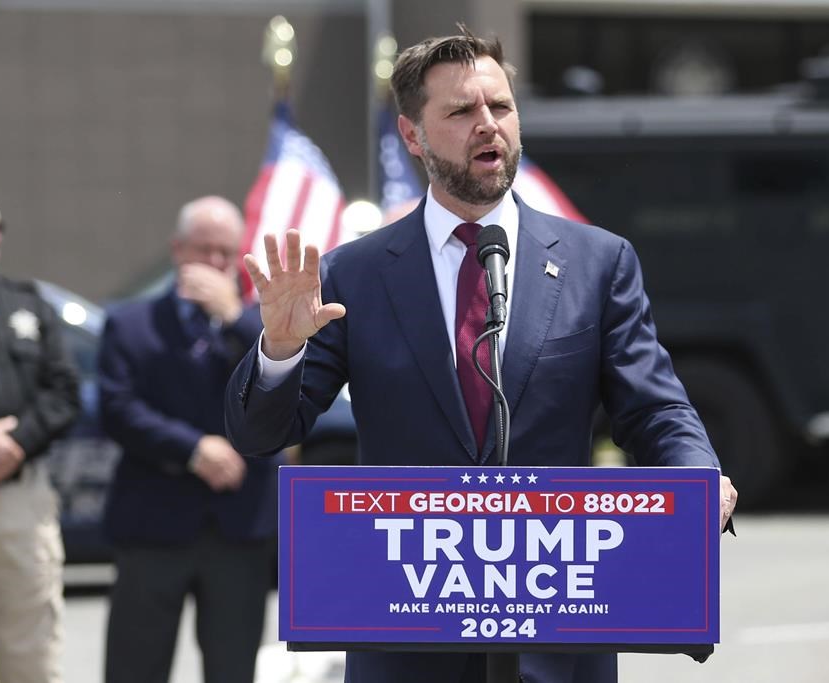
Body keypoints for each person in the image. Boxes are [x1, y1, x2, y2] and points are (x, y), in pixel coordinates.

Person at [225, 29, 737, 683]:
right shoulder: (355, 275)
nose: (488, 125)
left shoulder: (598, 263)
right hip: (405, 645)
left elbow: (656, 409)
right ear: (412, 135)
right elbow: (261, 431)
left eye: (500, 106)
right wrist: (280, 349)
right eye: (462, 112)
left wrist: (697, 478)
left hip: (556, 644)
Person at [99, 196, 283, 683]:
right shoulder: (130, 324)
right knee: (135, 665)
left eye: (227, 252)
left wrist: (236, 317)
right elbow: (118, 409)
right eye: (204, 250)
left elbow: (286, 391)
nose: (216, 264)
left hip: (239, 526)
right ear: (177, 251)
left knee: (232, 668)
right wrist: (192, 449)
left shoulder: (263, 329)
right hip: (154, 521)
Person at [0, 182, 81, 683]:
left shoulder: (28, 302)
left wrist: (13, 445)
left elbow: (64, 393)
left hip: (22, 502)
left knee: (32, 662)